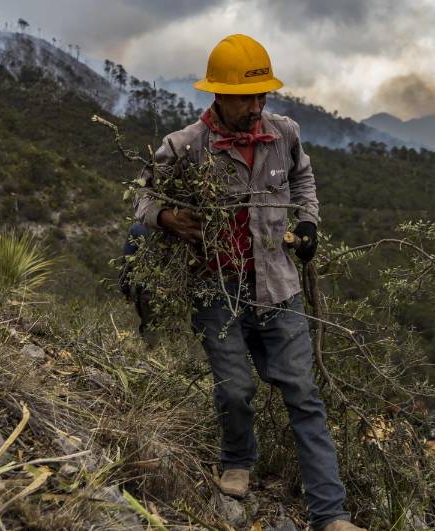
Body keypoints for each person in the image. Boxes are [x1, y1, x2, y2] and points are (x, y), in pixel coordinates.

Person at [134, 34, 363, 531]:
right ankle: (238, 459)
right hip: (215, 288)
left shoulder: (284, 133)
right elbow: (142, 202)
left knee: (303, 394)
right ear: (217, 94)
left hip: (279, 287)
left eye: (262, 97)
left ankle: (332, 514)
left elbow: (303, 181)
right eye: (247, 98)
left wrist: (309, 225)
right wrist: (168, 219)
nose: (256, 107)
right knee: (236, 389)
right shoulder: (183, 146)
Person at [119, 222, 156, 345]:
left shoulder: (138, 228)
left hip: (148, 290)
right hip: (177, 291)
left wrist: (125, 289)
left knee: (150, 329)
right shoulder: (180, 224)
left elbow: (127, 262)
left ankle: (155, 359)